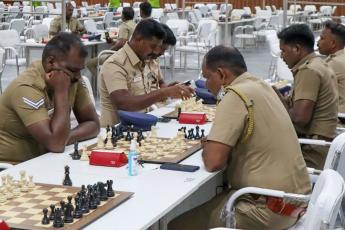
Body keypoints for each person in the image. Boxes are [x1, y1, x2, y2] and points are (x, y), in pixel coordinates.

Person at [168, 46, 311, 229]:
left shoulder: (234, 95)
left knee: (176, 226)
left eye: (207, 77)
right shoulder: (262, 85)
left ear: (221, 74)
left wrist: (211, 146)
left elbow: (213, 162)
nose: (206, 83)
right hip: (295, 202)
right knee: (215, 199)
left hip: (265, 209)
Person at [0, 33, 100, 164]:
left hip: (47, 160)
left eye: (80, 70)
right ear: (51, 62)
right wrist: (61, 91)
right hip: (13, 168)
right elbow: (56, 145)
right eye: (73, 70)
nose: (78, 76)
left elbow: (93, 124)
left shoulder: (72, 78)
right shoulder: (26, 87)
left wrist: (63, 137)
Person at [99, 19, 194, 127]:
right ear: (138, 39)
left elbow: (151, 91)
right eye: (153, 46)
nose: (156, 52)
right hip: (118, 131)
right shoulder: (115, 64)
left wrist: (168, 90)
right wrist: (164, 92)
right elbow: (125, 104)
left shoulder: (145, 59)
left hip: (144, 124)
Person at [276, 24, 338, 170]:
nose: (281, 56)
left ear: (297, 49)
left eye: (283, 51)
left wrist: (277, 99)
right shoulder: (319, 63)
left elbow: (300, 118)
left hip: (310, 152)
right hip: (320, 146)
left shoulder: (308, 70)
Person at [86, 7, 136, 83]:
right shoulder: (134, 25)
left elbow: (122, 43)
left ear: (123, 16)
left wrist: (109, 50)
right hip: (129, 56)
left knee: (90, 63)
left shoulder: (124, 26)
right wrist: (112, 41)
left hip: (119, 56)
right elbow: (124, 41)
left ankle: (103, 83)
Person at [318, 20, 345, 113]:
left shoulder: (334, 63)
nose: (318, 42)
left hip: (339, 119)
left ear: (333, 43)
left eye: (322, 38)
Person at [145, 23, 177, 90]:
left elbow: (160, 83)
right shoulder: (134, 62)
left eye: (165, 50)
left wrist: (169, 89)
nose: (162, 53)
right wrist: (163, 93)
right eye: (161, 48)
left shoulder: (154, 60)